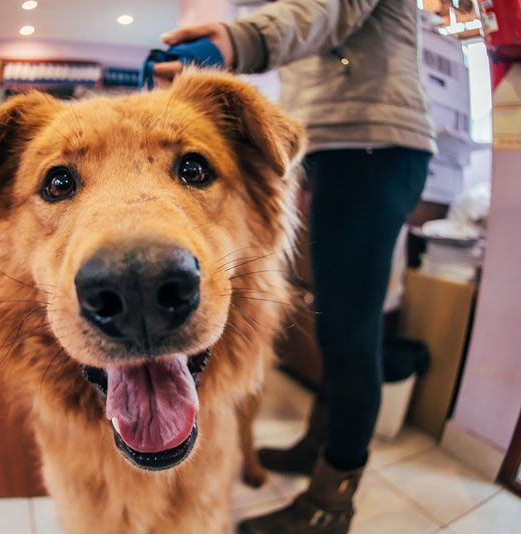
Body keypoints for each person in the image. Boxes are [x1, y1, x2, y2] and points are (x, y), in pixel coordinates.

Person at [155, 1, 435, 532]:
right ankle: (318, 446)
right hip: (336, 148)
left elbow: (323, 11)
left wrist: (231, 43)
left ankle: (332, 502)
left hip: (371, 145)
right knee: (334, 321)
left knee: (352, 332)